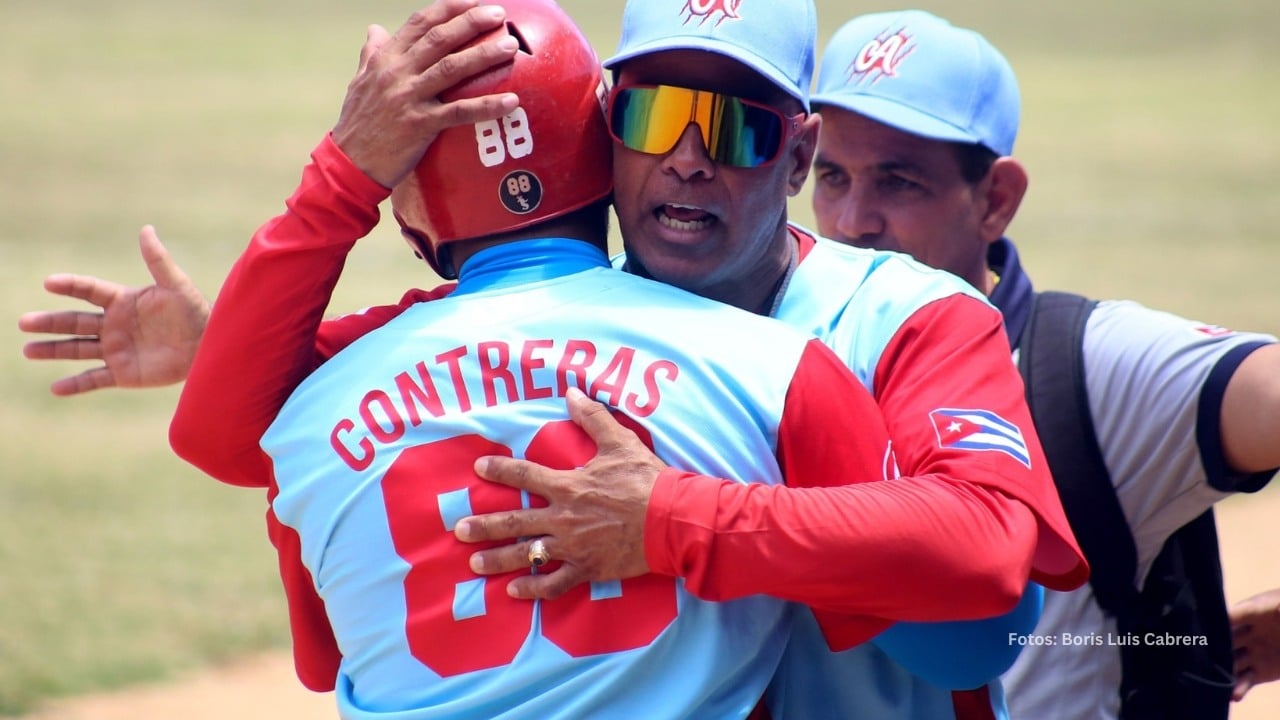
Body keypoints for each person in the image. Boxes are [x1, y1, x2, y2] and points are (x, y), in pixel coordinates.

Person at [21, 0, 1089, 716]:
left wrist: (669, 519)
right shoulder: (542, 328)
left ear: (801, 153)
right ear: (597, 131)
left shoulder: (906, 316)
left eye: (734, 127)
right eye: (652, 112)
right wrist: (336, 184)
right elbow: (231, 426)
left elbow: (981, 614)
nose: (684, 154)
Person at [799, 9, 1280, 720]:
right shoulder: (778, 343)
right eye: (832, 176)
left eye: (898, 182)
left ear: (996, 201)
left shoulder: (1091, 372)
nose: (850, 221)